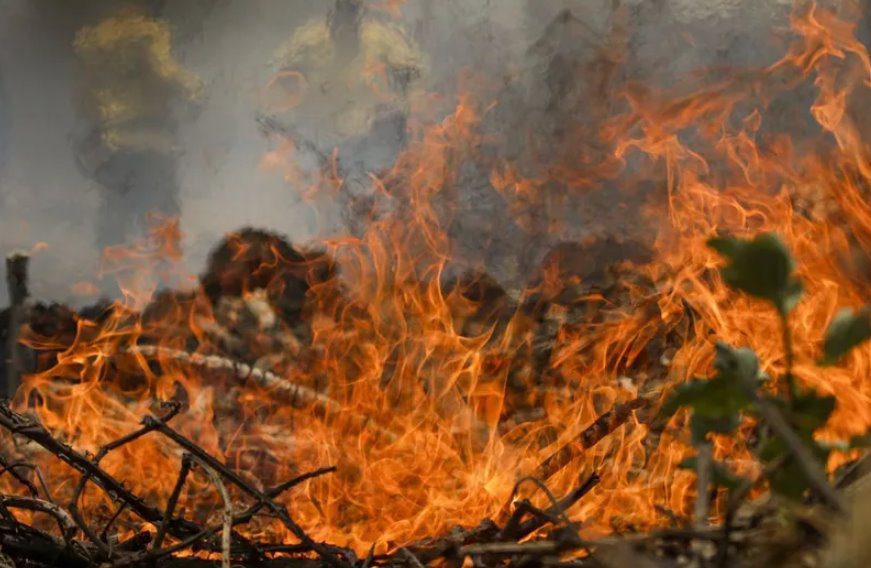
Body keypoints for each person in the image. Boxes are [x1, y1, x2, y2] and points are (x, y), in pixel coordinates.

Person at [260, 0, 425, 234]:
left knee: (373, 209)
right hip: (320, 141)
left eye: (353, 12)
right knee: (322, 212)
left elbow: (414, 71)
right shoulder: (310, 38)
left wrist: (396, 101)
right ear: (333, 15)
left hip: (370, 141)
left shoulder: (380, 37)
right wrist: (294, 90)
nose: (347, 21)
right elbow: (276, 69)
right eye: (342, 13)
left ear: (360, 15)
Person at [72, 8, 202, 248]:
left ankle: (114, 268)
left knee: (118, 214)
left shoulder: (102, 59)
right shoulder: (152, 56)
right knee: (157, 214)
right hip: (151, 150)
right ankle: (156, 268)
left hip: (118, 150)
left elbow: (87, 107)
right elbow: (190, 94)